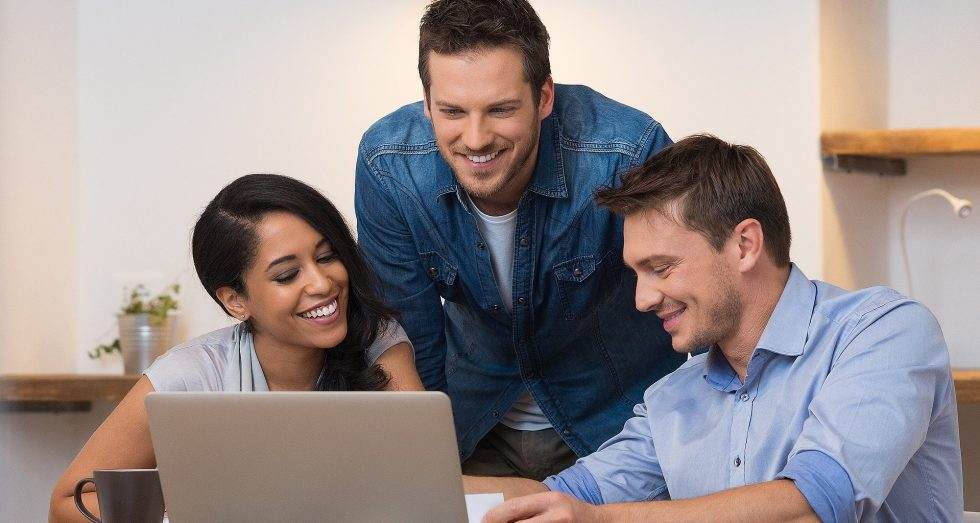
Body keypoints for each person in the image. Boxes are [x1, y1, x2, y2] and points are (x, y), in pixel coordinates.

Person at [469, 135, 963, 522]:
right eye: (636, 274)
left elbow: (812, 508)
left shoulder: (882, 333)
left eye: (661, 268)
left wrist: (599, 519)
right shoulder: (673, 398)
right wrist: (416, 492)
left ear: (745, 244)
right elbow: (560, 500)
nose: (642, 299)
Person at [354, 0, 683, 479]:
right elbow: (406, 340)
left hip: (618, 429)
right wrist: (425, 474)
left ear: (545, 97)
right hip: (476, 427)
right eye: (451, 111)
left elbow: (688, 300)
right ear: (426, 104)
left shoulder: (626, 151)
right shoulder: (389, 165)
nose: (475, 138)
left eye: (501, 110)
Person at [50, 174, 423, 521]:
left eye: (326, 257)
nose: (322, 283)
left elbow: (420, 481)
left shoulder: (379, 342)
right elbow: (66, 504)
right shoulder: (190, 374)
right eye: (287, 275)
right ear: (235, 301)